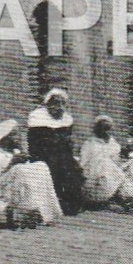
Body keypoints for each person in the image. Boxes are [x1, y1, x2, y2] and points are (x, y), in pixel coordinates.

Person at [0, 119, 63, 227]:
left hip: (15, 184)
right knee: (20, 169)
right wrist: (12, 164)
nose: (19, 137)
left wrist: (22, 155)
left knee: (41, 166)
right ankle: (28, 210)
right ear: (5, 137)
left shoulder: (16, 152)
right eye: (15, 134)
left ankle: (46, 214)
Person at [27, 89, 83, 217]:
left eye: (62, 104)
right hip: (43, 154)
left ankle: (69, 206)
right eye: (56, 103)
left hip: (62, 155)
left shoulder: (66, 119)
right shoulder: (38, 118)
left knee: (72, 169)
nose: (59, 107)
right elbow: (36, 144)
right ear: (48, 105)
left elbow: (68, 142)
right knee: (53, 168)